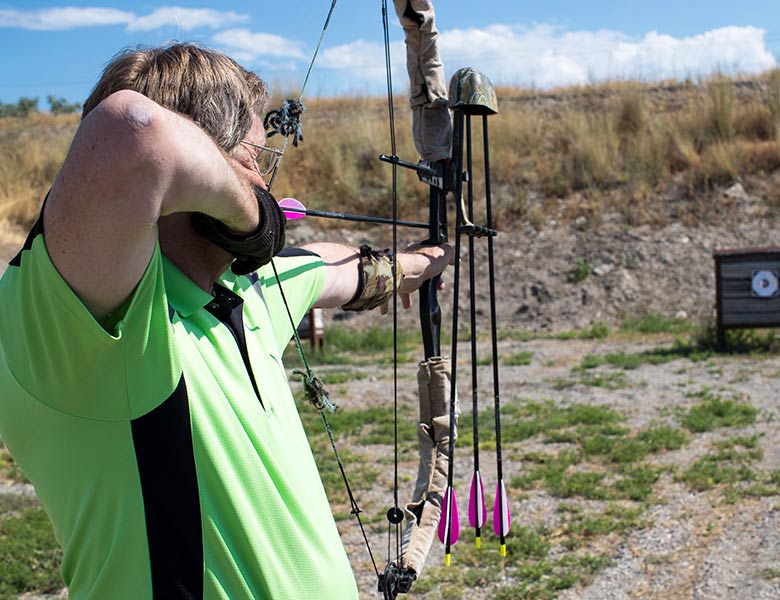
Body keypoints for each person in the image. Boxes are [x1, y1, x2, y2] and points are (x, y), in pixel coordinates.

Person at [0, 43, 451, 599]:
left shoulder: (247, 291)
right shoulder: (84, 326)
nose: (265, 182)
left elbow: (342, 271)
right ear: (218, 166)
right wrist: (252, 214)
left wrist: (430, 259)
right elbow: (131, 132)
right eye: (257, 161)